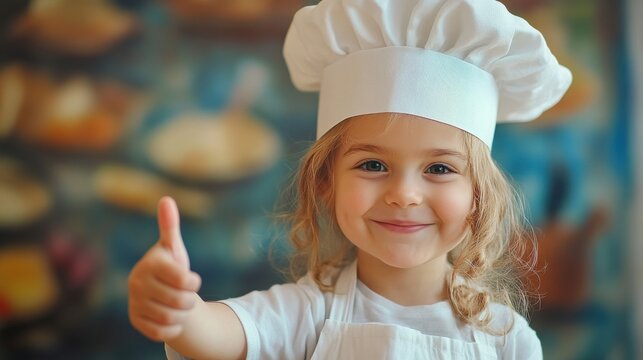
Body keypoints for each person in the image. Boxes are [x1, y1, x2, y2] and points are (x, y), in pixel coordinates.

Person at [127, 0, 572, 358]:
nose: (404, 194)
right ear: (326, 180)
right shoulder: (306, 316)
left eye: (440, 168)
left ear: (479, 195)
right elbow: (223, 335)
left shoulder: (508, 341)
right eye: (373, 165)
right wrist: (181, 312)